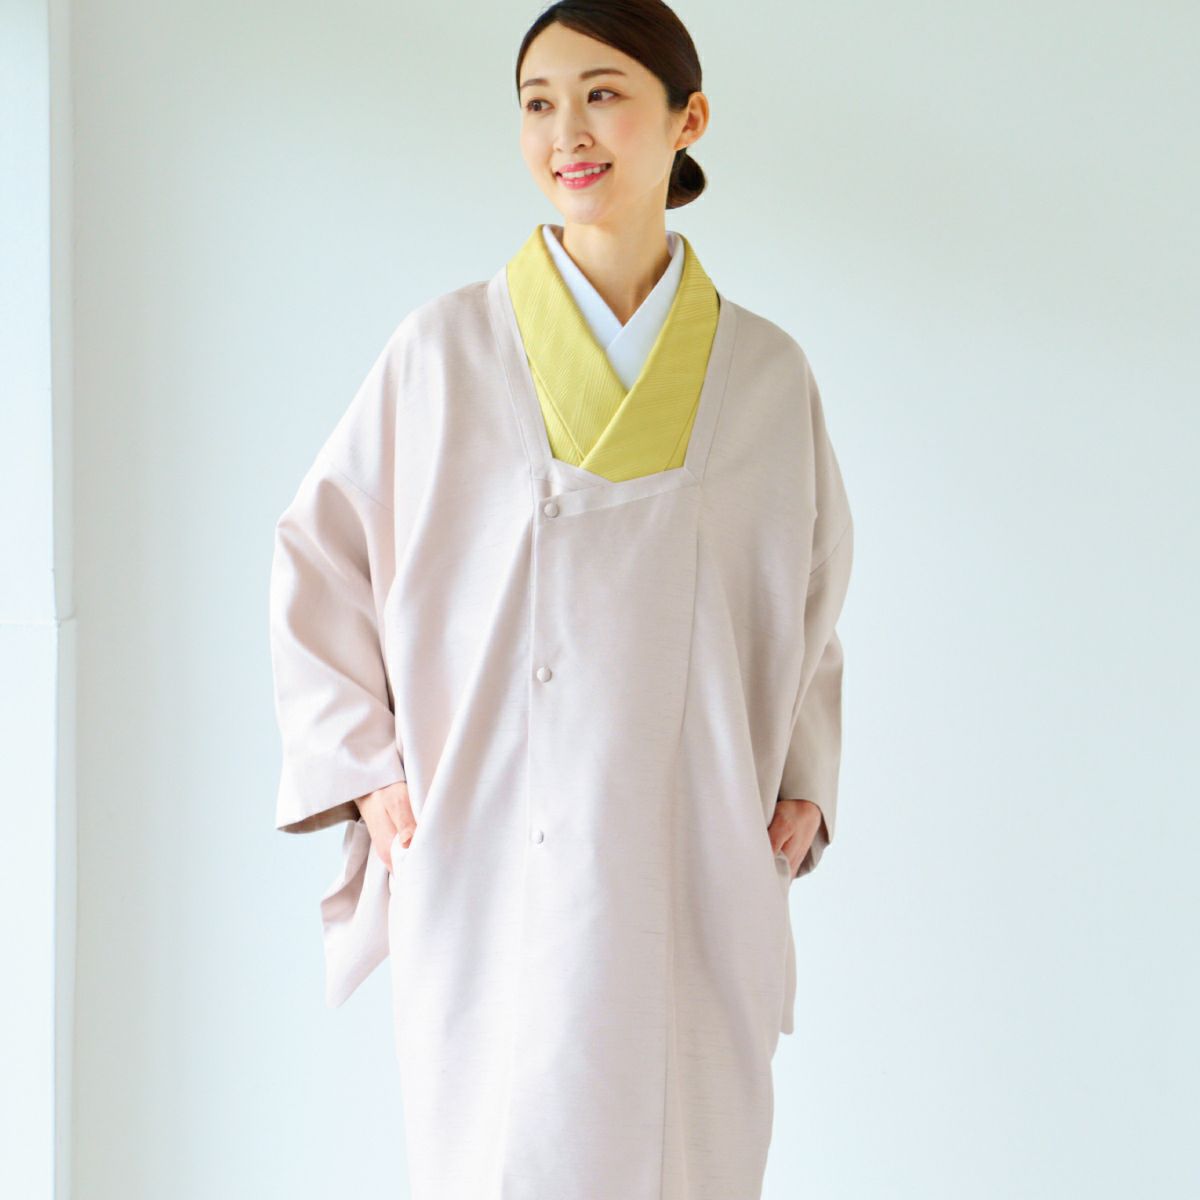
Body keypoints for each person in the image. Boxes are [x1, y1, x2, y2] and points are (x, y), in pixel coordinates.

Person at [268, 1, 854, 1196]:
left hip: (695, 844)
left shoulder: (764, 373)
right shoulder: (444, 353)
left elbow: (808, 594)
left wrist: (805, 774)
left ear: (688, 118)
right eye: (538, 103)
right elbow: (319, 558)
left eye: (603, 95)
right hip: (493, 840)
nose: (566, 132)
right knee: (506, 1145)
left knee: (687, 1149)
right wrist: (366, 764)